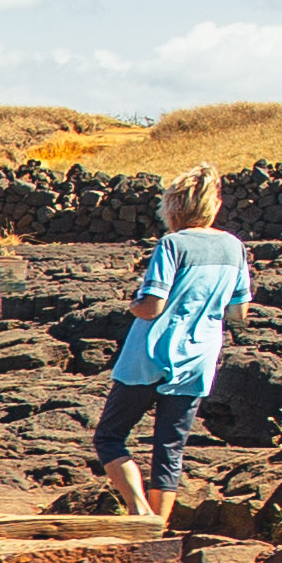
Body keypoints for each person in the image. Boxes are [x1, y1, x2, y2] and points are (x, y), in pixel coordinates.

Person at [95, 168, 250, 525]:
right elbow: (238, 312)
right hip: (198, 359)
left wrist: (132, 305)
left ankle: (139, 511)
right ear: (213, 205)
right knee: (170, 449)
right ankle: (158, 528)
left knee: (109, 436)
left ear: (173, 207)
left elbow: (152, 306)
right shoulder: (234, 246)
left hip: (149, 355)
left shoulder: (172, 244)